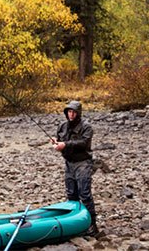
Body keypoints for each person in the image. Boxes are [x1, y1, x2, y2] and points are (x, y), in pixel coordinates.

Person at [51, 100, 99, 236]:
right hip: (69, 163)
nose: (71, 114)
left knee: (85, 193)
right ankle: (74, 223)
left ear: (78, 113)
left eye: (73, 112)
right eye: (69, 112)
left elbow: (84, 143)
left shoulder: (87, 127)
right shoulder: (62, 126)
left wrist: (65, 145)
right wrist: (56, 143)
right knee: (71, 194)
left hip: (83, 163)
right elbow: (60, 139)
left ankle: (92, 225)